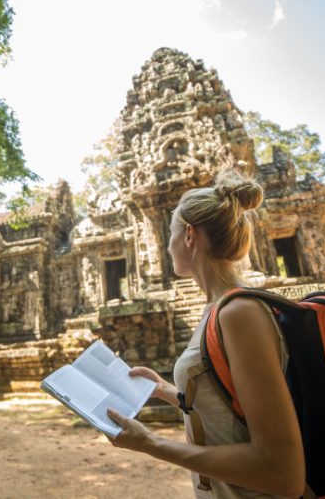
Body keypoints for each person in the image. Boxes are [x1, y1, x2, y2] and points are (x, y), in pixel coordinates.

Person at [105, 169, 305, 498]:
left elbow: (283, 473)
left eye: (169, 234)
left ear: (188, 236)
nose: (166, 247)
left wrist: (151, 443)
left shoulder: (239, 313)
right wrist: (168, 391)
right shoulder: (217, 309)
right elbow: (229, 409)